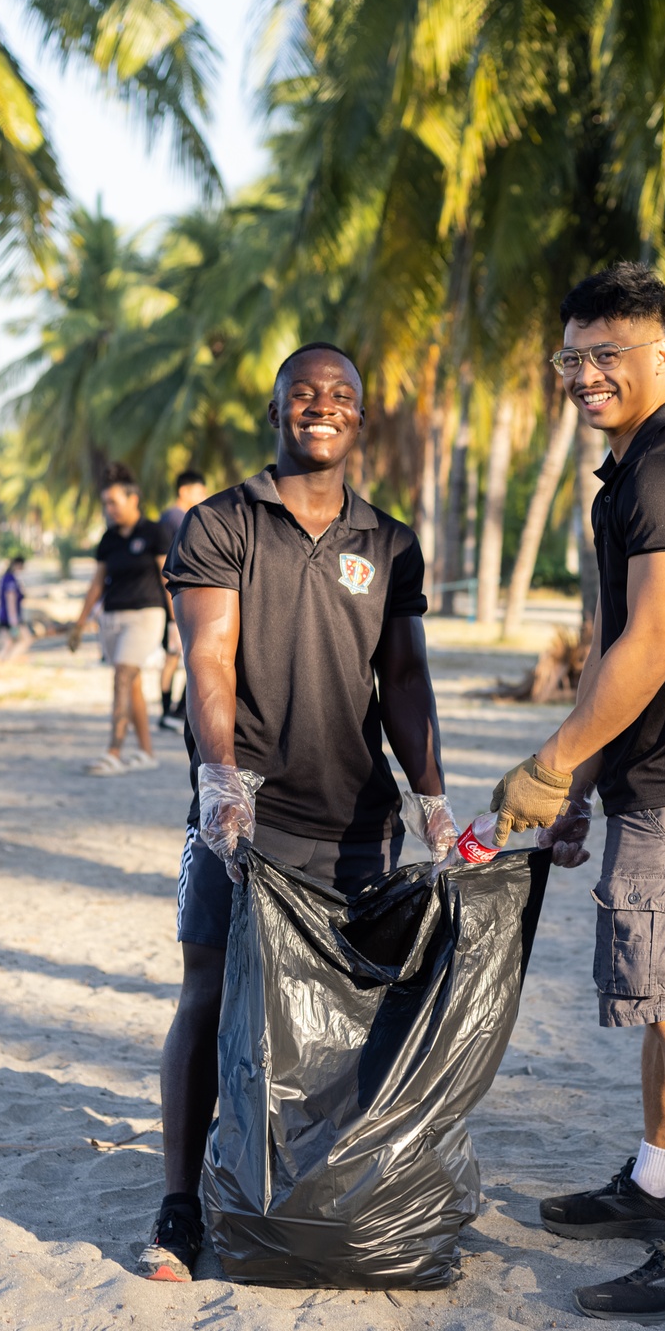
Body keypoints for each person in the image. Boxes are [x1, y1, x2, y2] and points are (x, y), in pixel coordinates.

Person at [490, 262, 665, 1324]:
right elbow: (619, 641)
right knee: (663, 995)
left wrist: (554, 760)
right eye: (573, 355)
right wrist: (582, 780)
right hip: (660, 770)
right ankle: (656, 1180)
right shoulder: (634, 469)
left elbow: (653, 638)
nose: (587, 373)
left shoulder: (661, 476)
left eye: (609, 353)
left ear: (659, 350)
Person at [137, 341, 457, 1282]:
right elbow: (208, 658)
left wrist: (432, 796)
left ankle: (318, 1197)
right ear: (277, 410)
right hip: (249, 819)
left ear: (361, 418)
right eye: (304, 393)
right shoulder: (222, 522)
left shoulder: (390, 542)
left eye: (342, 394)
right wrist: (221, 782)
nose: (323, 405)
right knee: (209, 994)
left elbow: (403, 675)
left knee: (351, 1015)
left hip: (358, 824)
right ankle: (179, 1206)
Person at [68, 463, 174, 776]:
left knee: (122, 676)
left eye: (113, 502)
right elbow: (96, 584)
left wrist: (176, 622)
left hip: (146, 616)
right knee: (133, 683)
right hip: (112, 618)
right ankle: (146, 752)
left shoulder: (154, 532)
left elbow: (167, 578)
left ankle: (113, 751)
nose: (108, 509)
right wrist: (78, 623)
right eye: (105, 504)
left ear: (133, 499)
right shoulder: (108, 539)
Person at [158, 470, 208, 733]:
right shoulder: (178, 519)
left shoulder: (169, 517)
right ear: (184, 491)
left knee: (174, 657)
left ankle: (168, 713)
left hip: (172, 600)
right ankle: (172, 713)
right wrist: (172, 611)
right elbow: (164, 566)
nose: (203, 497)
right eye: (199, 492)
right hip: (174, 599)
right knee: (182, 656)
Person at [0, 555, 32, 660]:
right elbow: (10, 599)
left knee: (8, 643)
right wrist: (13, 619)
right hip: (10, 616)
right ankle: (9, 661)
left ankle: (3, 662)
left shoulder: (7, 578)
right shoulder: (11, 580)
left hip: (5, 615)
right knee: (26, 639)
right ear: (18, 565)